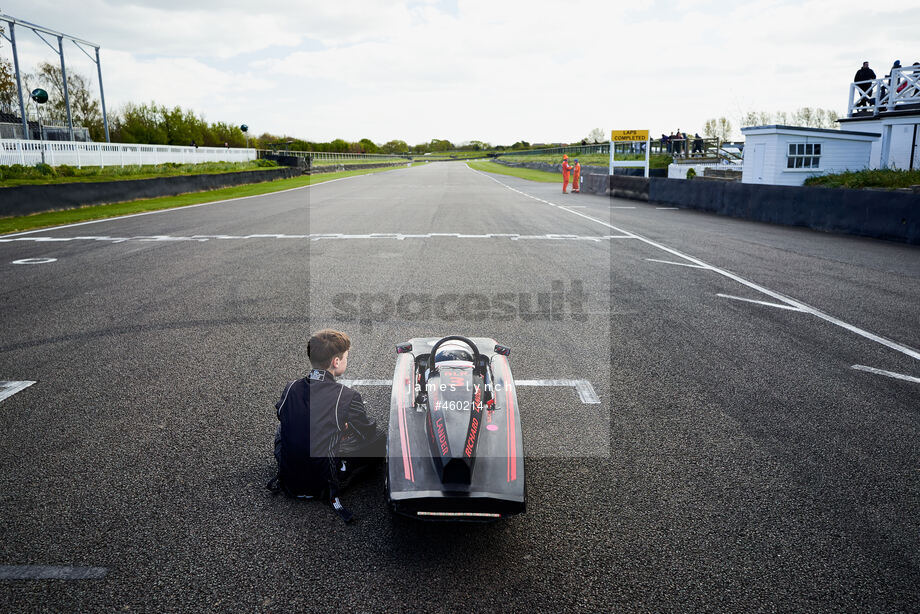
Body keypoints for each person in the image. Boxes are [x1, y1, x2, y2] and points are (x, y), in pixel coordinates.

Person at [271, 329, 384, 521]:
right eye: (346, 357)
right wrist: (343, 427)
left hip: (288, 479)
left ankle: (297, 465)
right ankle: (340, 472)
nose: (346, 360)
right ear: (336, 362)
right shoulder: (348, 396)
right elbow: (367, 431)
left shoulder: (290, 387)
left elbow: (283, 415)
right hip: (322, 482)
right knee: (380, 439)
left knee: (283, 428)